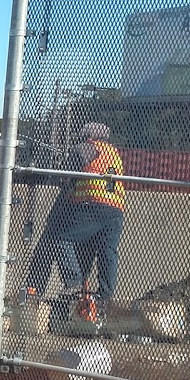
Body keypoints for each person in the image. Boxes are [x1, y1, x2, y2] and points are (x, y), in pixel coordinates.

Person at [55, 122, 125, 312]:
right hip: (116, 209)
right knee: (107, 252)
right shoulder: (113, 152)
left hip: (93, 205)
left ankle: (74, 282)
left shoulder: (87, 147)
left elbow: (65, 173)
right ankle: (105, 297)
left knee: (61, 239)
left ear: (88, 136)